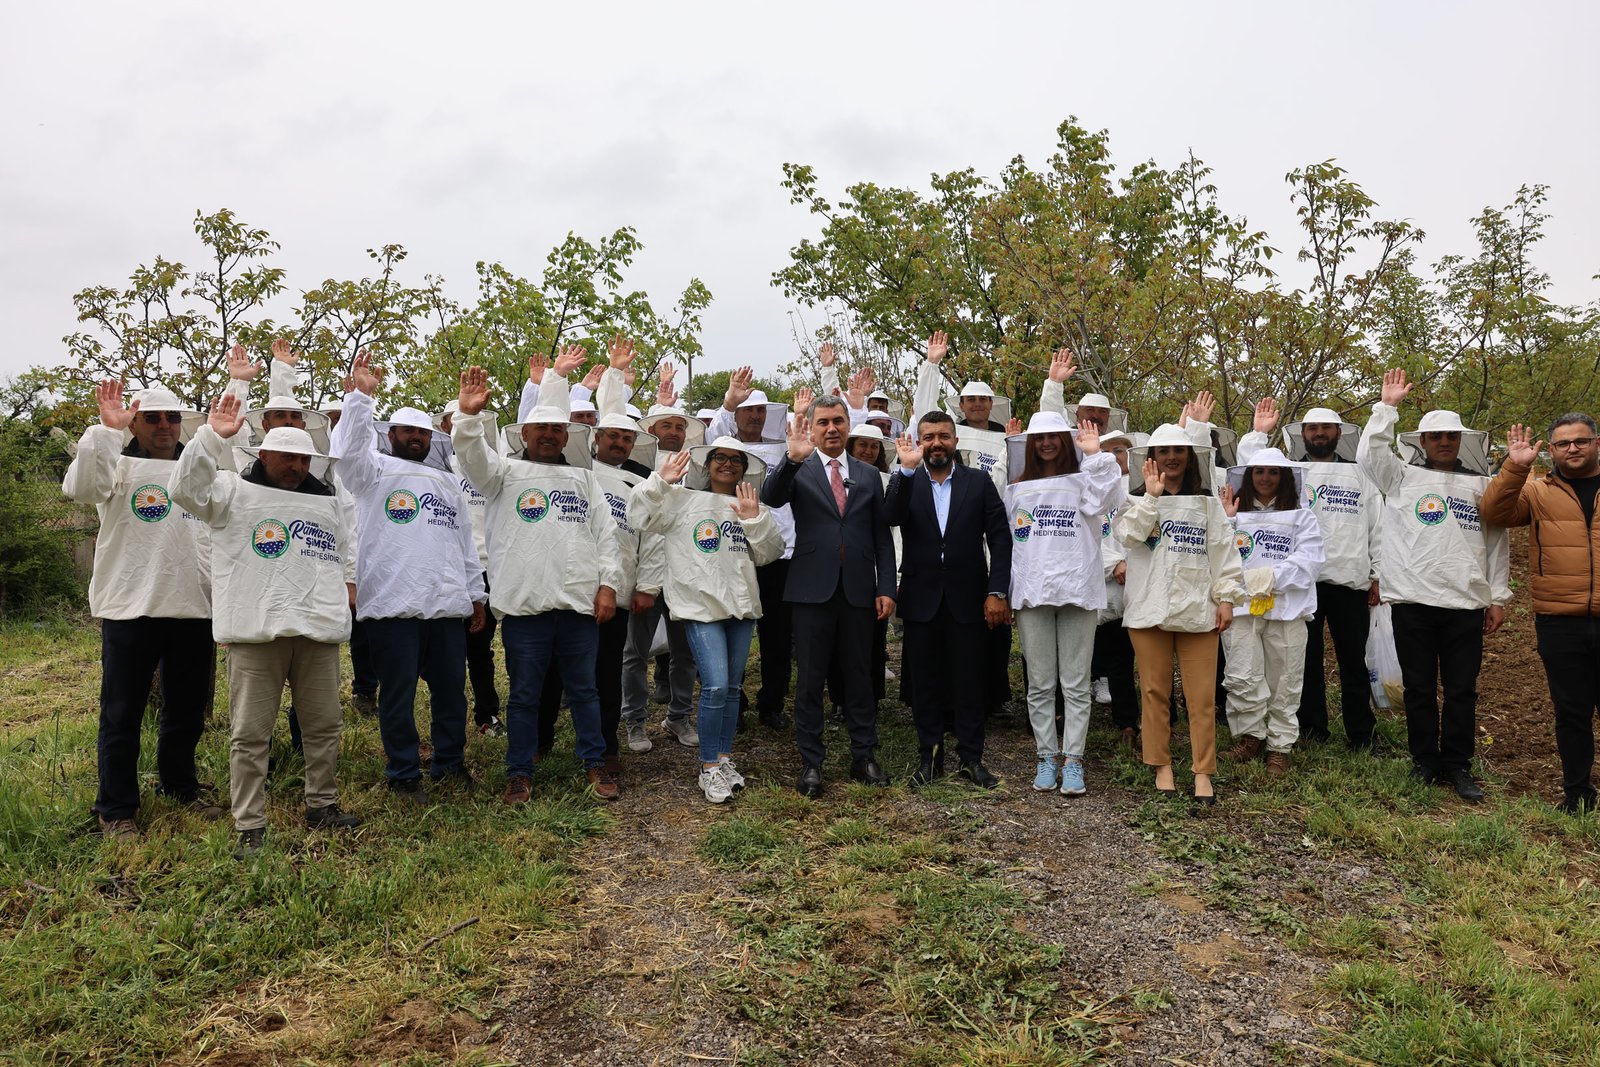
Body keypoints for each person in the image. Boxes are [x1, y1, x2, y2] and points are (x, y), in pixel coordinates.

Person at [172, 397, 363, 858]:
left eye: (303, 459)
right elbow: (183, 490)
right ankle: (250, 824)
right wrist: (207, 437)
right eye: (287, 457)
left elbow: (345, 547)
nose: (296, 466)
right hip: (255, 631)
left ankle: (322, 803)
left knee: (323, 726)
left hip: (316, 628)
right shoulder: (231, 490)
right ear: (263, 455)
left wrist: (349, 585)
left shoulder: (327, 497)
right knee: (251, 733)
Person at [453, 364, 626, 803]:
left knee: (586, 690)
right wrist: (469, 417)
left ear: (568, 437)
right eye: (540, 427)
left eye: (557, 428)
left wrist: (608, 586)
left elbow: (607, 539)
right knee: (526, 695)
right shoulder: (503, 475)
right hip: (525, 610)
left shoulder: (585, 480)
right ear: (524, 434)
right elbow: (472, 459)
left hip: (577, 608)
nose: (549, 434)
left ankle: (595, 762)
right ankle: (519, 771)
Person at [62, 381, 223, 837]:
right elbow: (80, 486)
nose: (165, 426)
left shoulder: (198, 468)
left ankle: (180, 788)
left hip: (193, 605)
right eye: (152, 417)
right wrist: (106, 432)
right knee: (122, 711)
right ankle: (115, 807)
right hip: (129, 606)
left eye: (172, 417)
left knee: (187, 710)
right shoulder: (116, 463)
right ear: (135, 422)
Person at [330, 350, 487, 805]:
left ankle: (450, 763)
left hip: (444, 606)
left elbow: (464, 545)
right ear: (391, 434)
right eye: (407, 431)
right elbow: (348, 451)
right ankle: (402, 772)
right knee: (396, 697)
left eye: (422, 431)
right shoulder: (372, 472)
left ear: (430, 438)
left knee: (451, 695)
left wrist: (475, 595)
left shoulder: (448, 484)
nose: (415, 437)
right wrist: (360, 397)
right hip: (392, 605)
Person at [1357, 369, 1509, 802]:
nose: (1444, 442)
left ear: (1461, 441)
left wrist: (1497, 596)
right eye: (1435, 436)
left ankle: (1458, 764)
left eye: (1451, 436)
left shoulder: (1482, 485)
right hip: (1412, 599)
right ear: (1421, 442)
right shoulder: (1401, 477)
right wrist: (1386, 408)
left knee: (1462, 689)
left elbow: (1498, 542)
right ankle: (1423, 760)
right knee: (1419, 687)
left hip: (1465, 602)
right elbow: (1370, 456)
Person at [630, 440, 785, 801]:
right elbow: (639, 516)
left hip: (741, 610)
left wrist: (755, 520)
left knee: (732, 688)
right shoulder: (682, 499)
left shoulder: (750, 504)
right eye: (720, 458)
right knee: (714, 686)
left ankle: (724, 757)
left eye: (736, 460)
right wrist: (660, 481)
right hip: (700, 609)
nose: (728, 464)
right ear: (707, 464)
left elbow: (768, 554)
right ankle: (708, 767)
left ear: (744, 469)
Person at [761, 395, 897, 796]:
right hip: (810, 590)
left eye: (838, 421)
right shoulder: (799, 468)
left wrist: (886, 586)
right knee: (809, 681)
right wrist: (791, 458)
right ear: (813, 427)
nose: (832, 428)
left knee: (860, 676)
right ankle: (811, 763)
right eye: (823, 422)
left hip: (858, 591)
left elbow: (882, 539)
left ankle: (863, 755)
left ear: (847, 425)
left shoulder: (868, 475)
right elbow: (771, 497)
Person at [1239, 399, 1382, 748]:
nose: (1319, 433)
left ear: (1338, 433)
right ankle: (1312, 728)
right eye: (1312, 428)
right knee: (1305, 661)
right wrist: (1259, 432)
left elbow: (1377, 525)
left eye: (1326, 428)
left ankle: (1362, 733)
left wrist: (1378, 573)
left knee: (1354, 661)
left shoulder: (1359, 472)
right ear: (1302, 435)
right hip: (1300, 582)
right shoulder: (1287, 472)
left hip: (1349, 579)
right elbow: (1252, 465)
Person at [1116, 424, 1245, 804]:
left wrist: (1226, 599)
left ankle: (1203, 772)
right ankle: (1162, 765)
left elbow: (1224, 551)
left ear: (1191, 457)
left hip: (1198, 609)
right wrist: (1152, 499)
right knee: (1155, 692)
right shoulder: (1133, 498)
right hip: (1147, 609)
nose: (1172, 457)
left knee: (1201, 697)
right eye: (1164, 451)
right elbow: (1128, 537)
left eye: (1179, 450)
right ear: (1150, 458)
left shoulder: (1206, 503)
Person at [1480, 415, 1600, 812]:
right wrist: (1515, 466)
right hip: (1560, 620)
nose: (1573, 449)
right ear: (1551, 450)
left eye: (1580, 441)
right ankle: (1578, 795)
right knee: (1572, 712)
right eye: (1563, 443)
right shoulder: (1536, 491)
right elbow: (1494, 512)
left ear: (1596, 443)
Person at [887, 410, 1014, 786]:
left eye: (943, 436)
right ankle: (931, 758)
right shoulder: (906, 480)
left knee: (969, 681)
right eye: (929, 437)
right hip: (921, 597)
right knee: (924, 683)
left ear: (956, 441)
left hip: (969, 597)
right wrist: (906, 472)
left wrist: (997, 591)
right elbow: (889, 517)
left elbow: (1001, 537)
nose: (936, 443)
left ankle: (971, 758)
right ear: (919, 443)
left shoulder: (978, 482)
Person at [1001, 410, 1125, 795]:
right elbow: (1009, 542)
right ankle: (1045, 756)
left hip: (1077, 590)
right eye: (1040, 438)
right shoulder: (1016, 488)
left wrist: (1094, 454)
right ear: (1031, 445)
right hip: (1033, 593)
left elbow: (1110, 495)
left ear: (1067, 440)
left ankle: (1074, 760)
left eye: (1055, 436)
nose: (1048, 443)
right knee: (1039, 684)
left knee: (1074, 683)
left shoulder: (1084, 479)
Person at [1217, 447, 1325, 777]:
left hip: (1287, 609)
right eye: (1260, 472)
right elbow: (1220, 556)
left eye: (1273, 472)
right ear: (1249, 477)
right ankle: (1252, 737)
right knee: (1242, 676)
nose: (1266, 478)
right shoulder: (1232, 513)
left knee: (1285, 680)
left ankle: (1279, 746)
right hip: (1242, 608)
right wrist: (1228, 520)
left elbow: (1310, 561)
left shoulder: (1302, 516)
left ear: (1285, 478)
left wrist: (1271, 577)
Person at [712, 368, 797, 730]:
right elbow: (710, 438)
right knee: (733, 627)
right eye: (747, 409)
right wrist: (729, 399)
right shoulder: (726, 445)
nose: (754, 416)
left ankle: (772, 703)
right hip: (733, 552)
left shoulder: (783, 448)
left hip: (779, 553)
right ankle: (736, 701)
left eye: (760, 411)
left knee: (777, 636)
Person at [623, 364, 702, 751]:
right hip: (647, 580)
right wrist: (642, 583)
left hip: (686, 578)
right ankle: (634, 722)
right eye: (665, 425)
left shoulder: (696, 474)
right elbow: (637, 530)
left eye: (679, 426)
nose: (673, 432)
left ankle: (679, 717)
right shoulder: (638, 472)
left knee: (685, 655)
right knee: (634, 654)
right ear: (651, 432)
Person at [437, 397, 503, 736]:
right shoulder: (437, 467)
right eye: (453, 420)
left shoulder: (492, 463)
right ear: (445, 426)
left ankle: (486, 714)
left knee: (480, 646)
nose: (459, 425)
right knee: (446, 649)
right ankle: (446, 715)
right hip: (448, 569)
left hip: (489, 568)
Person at [1090, 431, 1144, 745]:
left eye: (1119, 450)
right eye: (1106, 451)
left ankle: (1142, 720)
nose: (1113, 457)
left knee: (1138, 658)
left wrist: (1130, 564)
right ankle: (1120, 722)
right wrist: (1114, 564)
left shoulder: (1142, 487)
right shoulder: (1092, 489)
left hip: (1139, 584)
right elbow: (1087, 537)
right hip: (1103, 583)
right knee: (1106, 657)